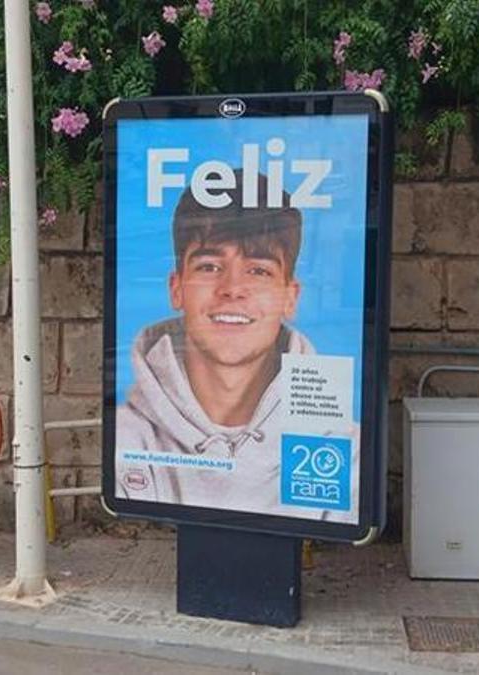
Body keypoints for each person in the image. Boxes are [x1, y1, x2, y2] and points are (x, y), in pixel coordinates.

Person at [115, 170, 356, 521]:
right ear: (176, 288)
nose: (232, 288)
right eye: (209, 266)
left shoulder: (343, 446)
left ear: (291, 297)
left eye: (258, 271)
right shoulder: (127, 438)